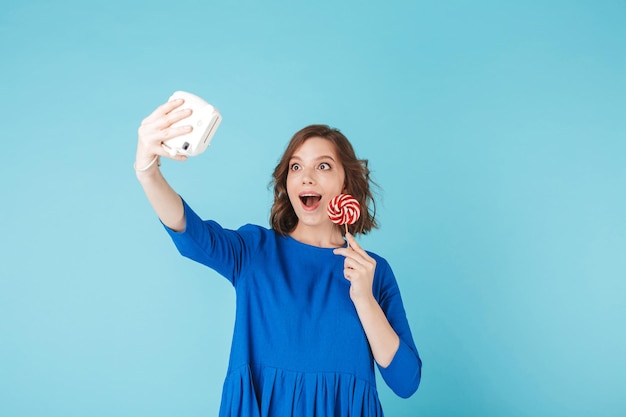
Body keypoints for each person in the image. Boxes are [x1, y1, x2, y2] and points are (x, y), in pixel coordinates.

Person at [135, 97, 422, 417]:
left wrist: (365, 300)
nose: (306, 176)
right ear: (286, 181)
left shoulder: (373, 271)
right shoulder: (254, 250)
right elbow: (191, 234)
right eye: (296, 166)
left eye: (323, 165)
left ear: (346, 182)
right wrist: (147, 171)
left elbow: (405, 382)